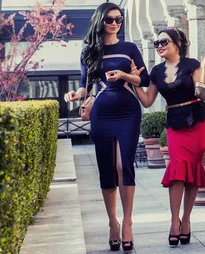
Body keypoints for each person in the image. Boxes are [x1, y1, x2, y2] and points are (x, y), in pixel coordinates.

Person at [63, 2, 149, 251]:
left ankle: (129, 223)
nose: (114, 24)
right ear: (100, 20)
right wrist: (74, 95)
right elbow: (85, 85)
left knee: (125, 165)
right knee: (107, 167)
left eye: (119, 20)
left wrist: (123, 76)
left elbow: (144, 78)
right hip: (102, 112)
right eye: (110, 19)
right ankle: (113, 223)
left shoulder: (129, 47)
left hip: (128, 111)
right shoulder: (89, 50)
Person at [130, 26, 205, 247]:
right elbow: (148, 101)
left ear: (177, 44)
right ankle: (174, 222)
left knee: (193, 171)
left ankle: (186, 220)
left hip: (198, 120)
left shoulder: (192, 64)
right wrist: (133, 82)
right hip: (175, 122)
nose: (159, 46)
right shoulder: (156, 71)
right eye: (157, 43)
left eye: (164, 42)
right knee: (177, 170)